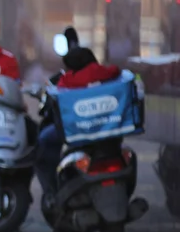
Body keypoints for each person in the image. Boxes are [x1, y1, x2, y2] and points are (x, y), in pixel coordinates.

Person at [34, 47, 121, 197]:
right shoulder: (105, 73)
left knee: (44, 142)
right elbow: (116, 70)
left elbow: (57, 92)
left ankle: (51, 193)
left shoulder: (68, 80)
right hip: (106, 128)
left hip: (77, 130)